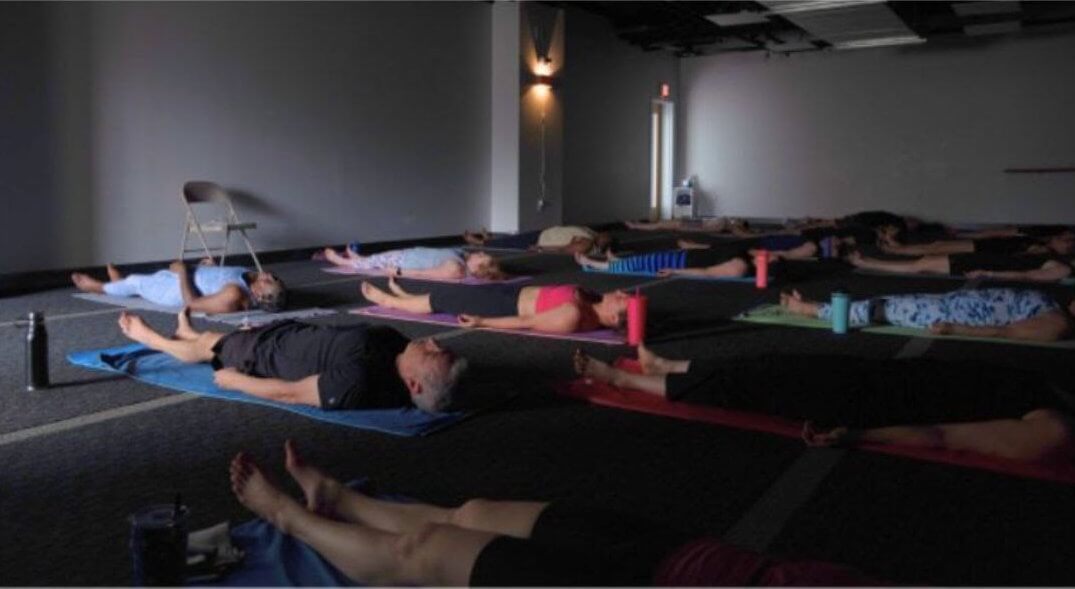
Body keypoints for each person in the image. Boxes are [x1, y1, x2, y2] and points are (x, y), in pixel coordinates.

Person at [228, 439, 878, 586]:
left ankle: (291, 517)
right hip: (692, 559)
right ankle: (341, 499)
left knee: (427, 548)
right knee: (476, 509)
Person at [574, 347, 1075, 464]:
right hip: (877, 373)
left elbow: (949, 437)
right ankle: (669, 366)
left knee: (748, 388)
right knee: (766, 362)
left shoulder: (1053, 426)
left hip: (869, 400)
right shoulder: (1051, 386)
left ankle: (622, 379)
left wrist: (858, 435)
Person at [115, 310, 466, 413]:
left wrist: (235, 380)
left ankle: (153, 339)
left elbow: (292, 393)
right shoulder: (401, 349)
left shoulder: (360, 383)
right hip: (291, 333)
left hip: (263, 356)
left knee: (209, 345)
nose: (433, 340)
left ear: (414, 384)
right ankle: (186, 331)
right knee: (210, 337)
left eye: (433, 352)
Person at [780, 288, 1074, 342]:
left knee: (882, 310)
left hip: (954, 313)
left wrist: (955, 329)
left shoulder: (1059, 323)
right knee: (887, 303)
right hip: (954, 301)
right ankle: (816, 306)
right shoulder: (1058, 309)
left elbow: (1008, 332)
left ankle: (808, 309)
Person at [360, 277, 628, 334]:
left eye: (622, 298)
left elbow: (528, 323)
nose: (617, 290)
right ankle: (407, 297)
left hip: (504, 306)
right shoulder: (593, 300)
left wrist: (482, 322)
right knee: (453, 292)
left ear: (615, 317)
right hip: (512, 292)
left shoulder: (574, 315)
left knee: (445, 298)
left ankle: (390, 301)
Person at [71, 260, 286, 314]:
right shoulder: (248, 278)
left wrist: (183, 272)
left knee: (137, 282)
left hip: (175, 291)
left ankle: (98, 287)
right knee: (140, 279)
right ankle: (117, 283)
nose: (267, 275)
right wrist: (207, 268)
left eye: (269, 281)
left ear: (258, 294)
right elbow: (218, 279)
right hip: (186, 276)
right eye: (273, 277)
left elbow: (192, 304)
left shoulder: (234, 294)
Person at [847, 250, 1074, 282]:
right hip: (980, 258)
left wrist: (990, 273)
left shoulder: (1063, 269)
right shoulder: (1060, 260)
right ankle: (869, 261)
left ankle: (868, 262)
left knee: (919, 266)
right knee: (920, 263)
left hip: (982, 263)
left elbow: (1029, 276)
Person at [321, 246, 506, 281]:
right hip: (409, 253)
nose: (480, 252)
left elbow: (425, 274)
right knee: (376, 257)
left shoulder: (456, 269)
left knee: (374, 263)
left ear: (478, 268)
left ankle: (344, 261)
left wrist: (399, 271)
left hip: (405, 262)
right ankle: (359, 258)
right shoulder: (463, 258)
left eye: (482, 256)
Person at [574, 247, 760, 278]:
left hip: (681, 264)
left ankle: (595, 264)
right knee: (646, 258)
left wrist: (675, 272)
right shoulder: (748, 254)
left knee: (643, 264)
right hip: (683, 256)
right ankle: (619, 260)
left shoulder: (740, 267)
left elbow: (708, 272)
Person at [878, 233, 1075, 257]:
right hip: (986, 245)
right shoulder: (1040, 240)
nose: (1065, 239)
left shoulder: (1043, 250)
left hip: (983, 250)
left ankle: (896, 249)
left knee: (936, 248)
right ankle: (898, 248)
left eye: (1067, 242)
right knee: (937, 244)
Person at [463, 226, 612, 255]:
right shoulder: (592, 234)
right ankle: (490, 239)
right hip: (545, 233)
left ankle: (479, 243)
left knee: (512, 243)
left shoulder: (587, 244)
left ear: (603, 243)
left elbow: (564, 250)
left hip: (541, 240)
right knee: (514, 238)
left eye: (606, 237)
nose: (604, 234)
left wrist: (541, 249)